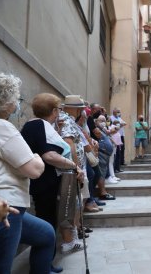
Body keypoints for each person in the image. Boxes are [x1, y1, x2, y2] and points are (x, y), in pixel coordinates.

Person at [0, 73, 55, 274]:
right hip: (6, 208)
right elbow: (34, 169)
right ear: (7, 103)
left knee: (46, 235)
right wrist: (36, 156)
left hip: (11, 206)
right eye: (17, 99)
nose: (18, 104)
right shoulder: (2, 127)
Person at [21, 93, 80, 271]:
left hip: (40, 183)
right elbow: (49, 155)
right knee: (47, 225)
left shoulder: (31, 125)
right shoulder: (41, 125)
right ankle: (43, 266)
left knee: (46, 224)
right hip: (46, 184)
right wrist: (74, 166)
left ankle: (44, 264)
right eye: (59, 110)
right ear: (54, 111)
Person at [59, 95, 90, 253]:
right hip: (71, 170)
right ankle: (68, 241)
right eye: (80, 109)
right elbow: (69, 144)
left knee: (77, 202)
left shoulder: (67, 119)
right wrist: (76, 168)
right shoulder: (66, 120)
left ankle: (73, 237)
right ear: (75, 109)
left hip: (73, 168)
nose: (81, 112)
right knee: (72, 203)